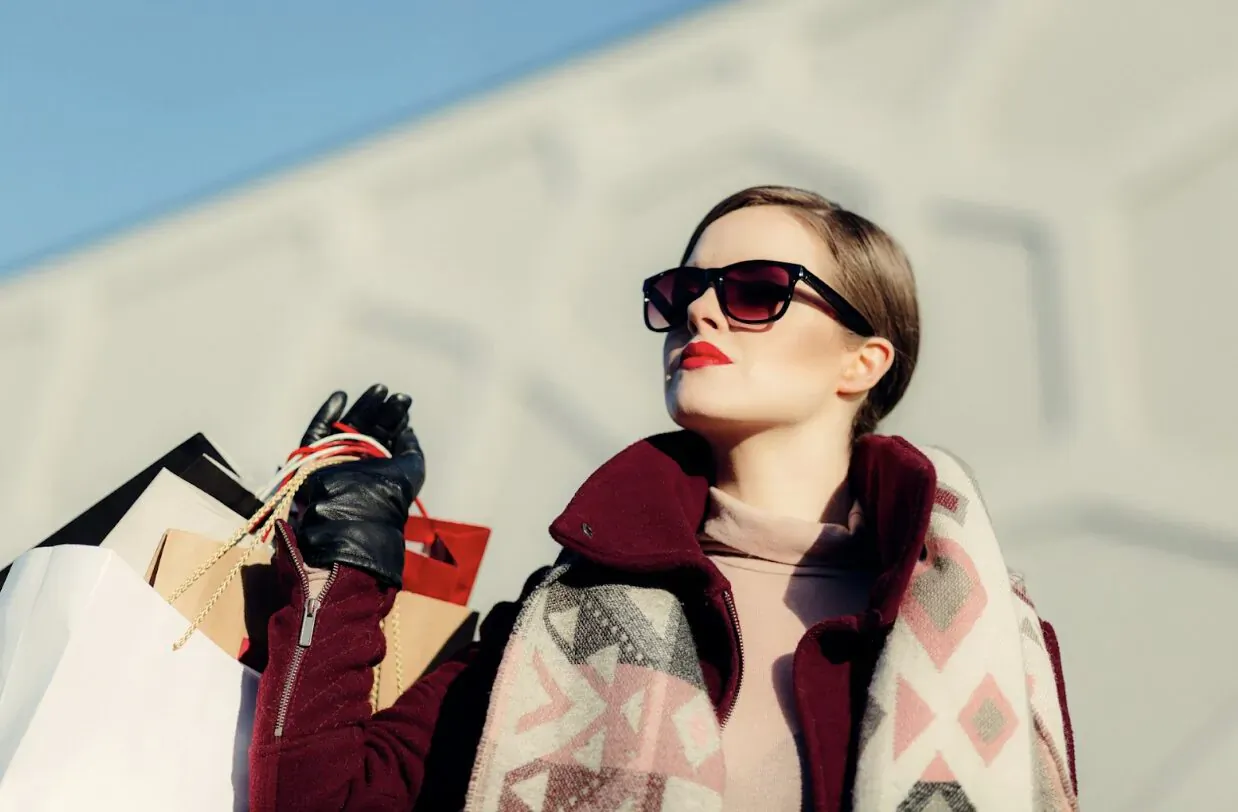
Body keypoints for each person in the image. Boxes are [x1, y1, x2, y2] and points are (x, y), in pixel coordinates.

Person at [249, 187, 1078, 812]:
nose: (704, 309)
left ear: (862, 362)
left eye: (756, 290)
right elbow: (320, 798)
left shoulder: (980, 637)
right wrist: (346, 558)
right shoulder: (559, 620)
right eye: (684, 293)